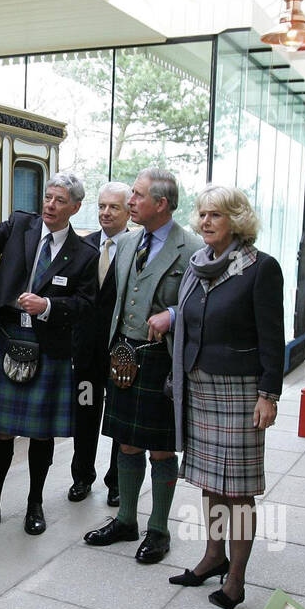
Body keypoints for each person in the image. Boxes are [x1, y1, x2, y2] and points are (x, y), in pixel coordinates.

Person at [0, 173, 98, 537]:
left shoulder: (84, 255)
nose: (50, 205)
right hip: (9, 336)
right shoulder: (20, 225)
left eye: (60, 200)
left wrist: (47, 305)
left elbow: (86, 305)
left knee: (42, 434)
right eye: (48, 197)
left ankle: (35, 503)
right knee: (0, 432)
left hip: (51, 346)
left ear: (75, 208)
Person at [167, 185, 284, 609]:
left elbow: (273, 336)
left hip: (240, 390)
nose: (205, 222)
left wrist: (269, 394)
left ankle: (236, 579)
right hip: (199, 385)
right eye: (202, 214)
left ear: (236, 219)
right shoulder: (198, 266)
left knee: (237, 492)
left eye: (215, 214)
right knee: (209, 482)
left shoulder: (261, 268)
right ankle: (213, 556)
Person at [83, 169, 201, 564]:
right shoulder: (129, 242)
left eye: (136, 196)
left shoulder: (193, 248)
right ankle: (126, 520)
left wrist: (172, 313)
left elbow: (202, 307)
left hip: (162, 361)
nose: (129, 202)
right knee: (126, 441)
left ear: (161, 204)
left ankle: (159, 530)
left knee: (163, 450)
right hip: (123, 356)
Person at [69, 181, 132, 505]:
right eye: (102, 206)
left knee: (119, 417)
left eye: (114, 207)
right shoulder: (84, 246)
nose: (106, 213)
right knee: (85, 412)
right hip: (87, 352)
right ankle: (82, 477)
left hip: (121, 351)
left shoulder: (137, 250)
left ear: (128, 211)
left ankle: (117, 481)